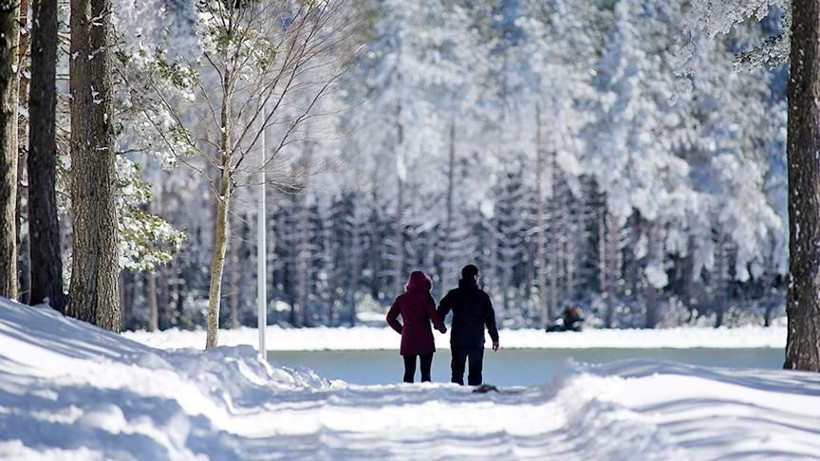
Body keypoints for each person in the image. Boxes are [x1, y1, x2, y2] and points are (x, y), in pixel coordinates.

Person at [436, 264, 499, 386]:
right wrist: (495, 338)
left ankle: (456, 398)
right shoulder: (482, 296)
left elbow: (441, 310)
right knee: (475, 374)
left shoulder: (454, 294)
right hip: (476, 340)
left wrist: (439, 326)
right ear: (475, 277)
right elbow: (490, 319)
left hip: (458, 339)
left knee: (457, 373)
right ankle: (474, 399)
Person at [386, 271, 447, 383]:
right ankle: (425, 396)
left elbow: (390, 318)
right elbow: (434, 317)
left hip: (408, 339)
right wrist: (442, 328)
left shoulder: (402, 299)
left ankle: (407, 395)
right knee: (426, 373)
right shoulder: (427, 298)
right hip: (426, 339)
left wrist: (402, 330)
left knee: (408, 373)